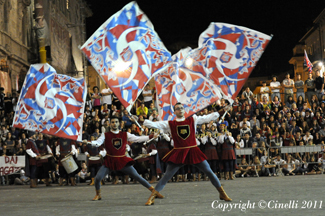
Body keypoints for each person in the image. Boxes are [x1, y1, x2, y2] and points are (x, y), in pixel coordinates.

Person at [143, 102, 232, 206]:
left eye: (181, 108)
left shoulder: (192, 119)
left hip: (193, 151)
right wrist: (142, 120)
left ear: (184, 110)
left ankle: (222, 193)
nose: (180, 110)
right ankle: (152, 197)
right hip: (178, 153)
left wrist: (222, 111)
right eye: (178, 108)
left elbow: (207, 118)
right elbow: (154, 124)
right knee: (166, 176)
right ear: (174, 111)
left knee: (209, 172)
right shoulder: (170, 124)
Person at [86, 116, 163, 201]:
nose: (114, 124)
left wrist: (151, 136)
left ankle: (154, 191)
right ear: (110, 124)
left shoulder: (125, 134)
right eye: (112, 122)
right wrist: (90, 142)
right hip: (110, 161)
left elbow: (137, 139)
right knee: (97, 178)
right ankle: (98, 194)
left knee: (137, 176)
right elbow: (97, 143)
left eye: (116, 122)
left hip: (122, 161)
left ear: (119, 123)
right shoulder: (105, 135)